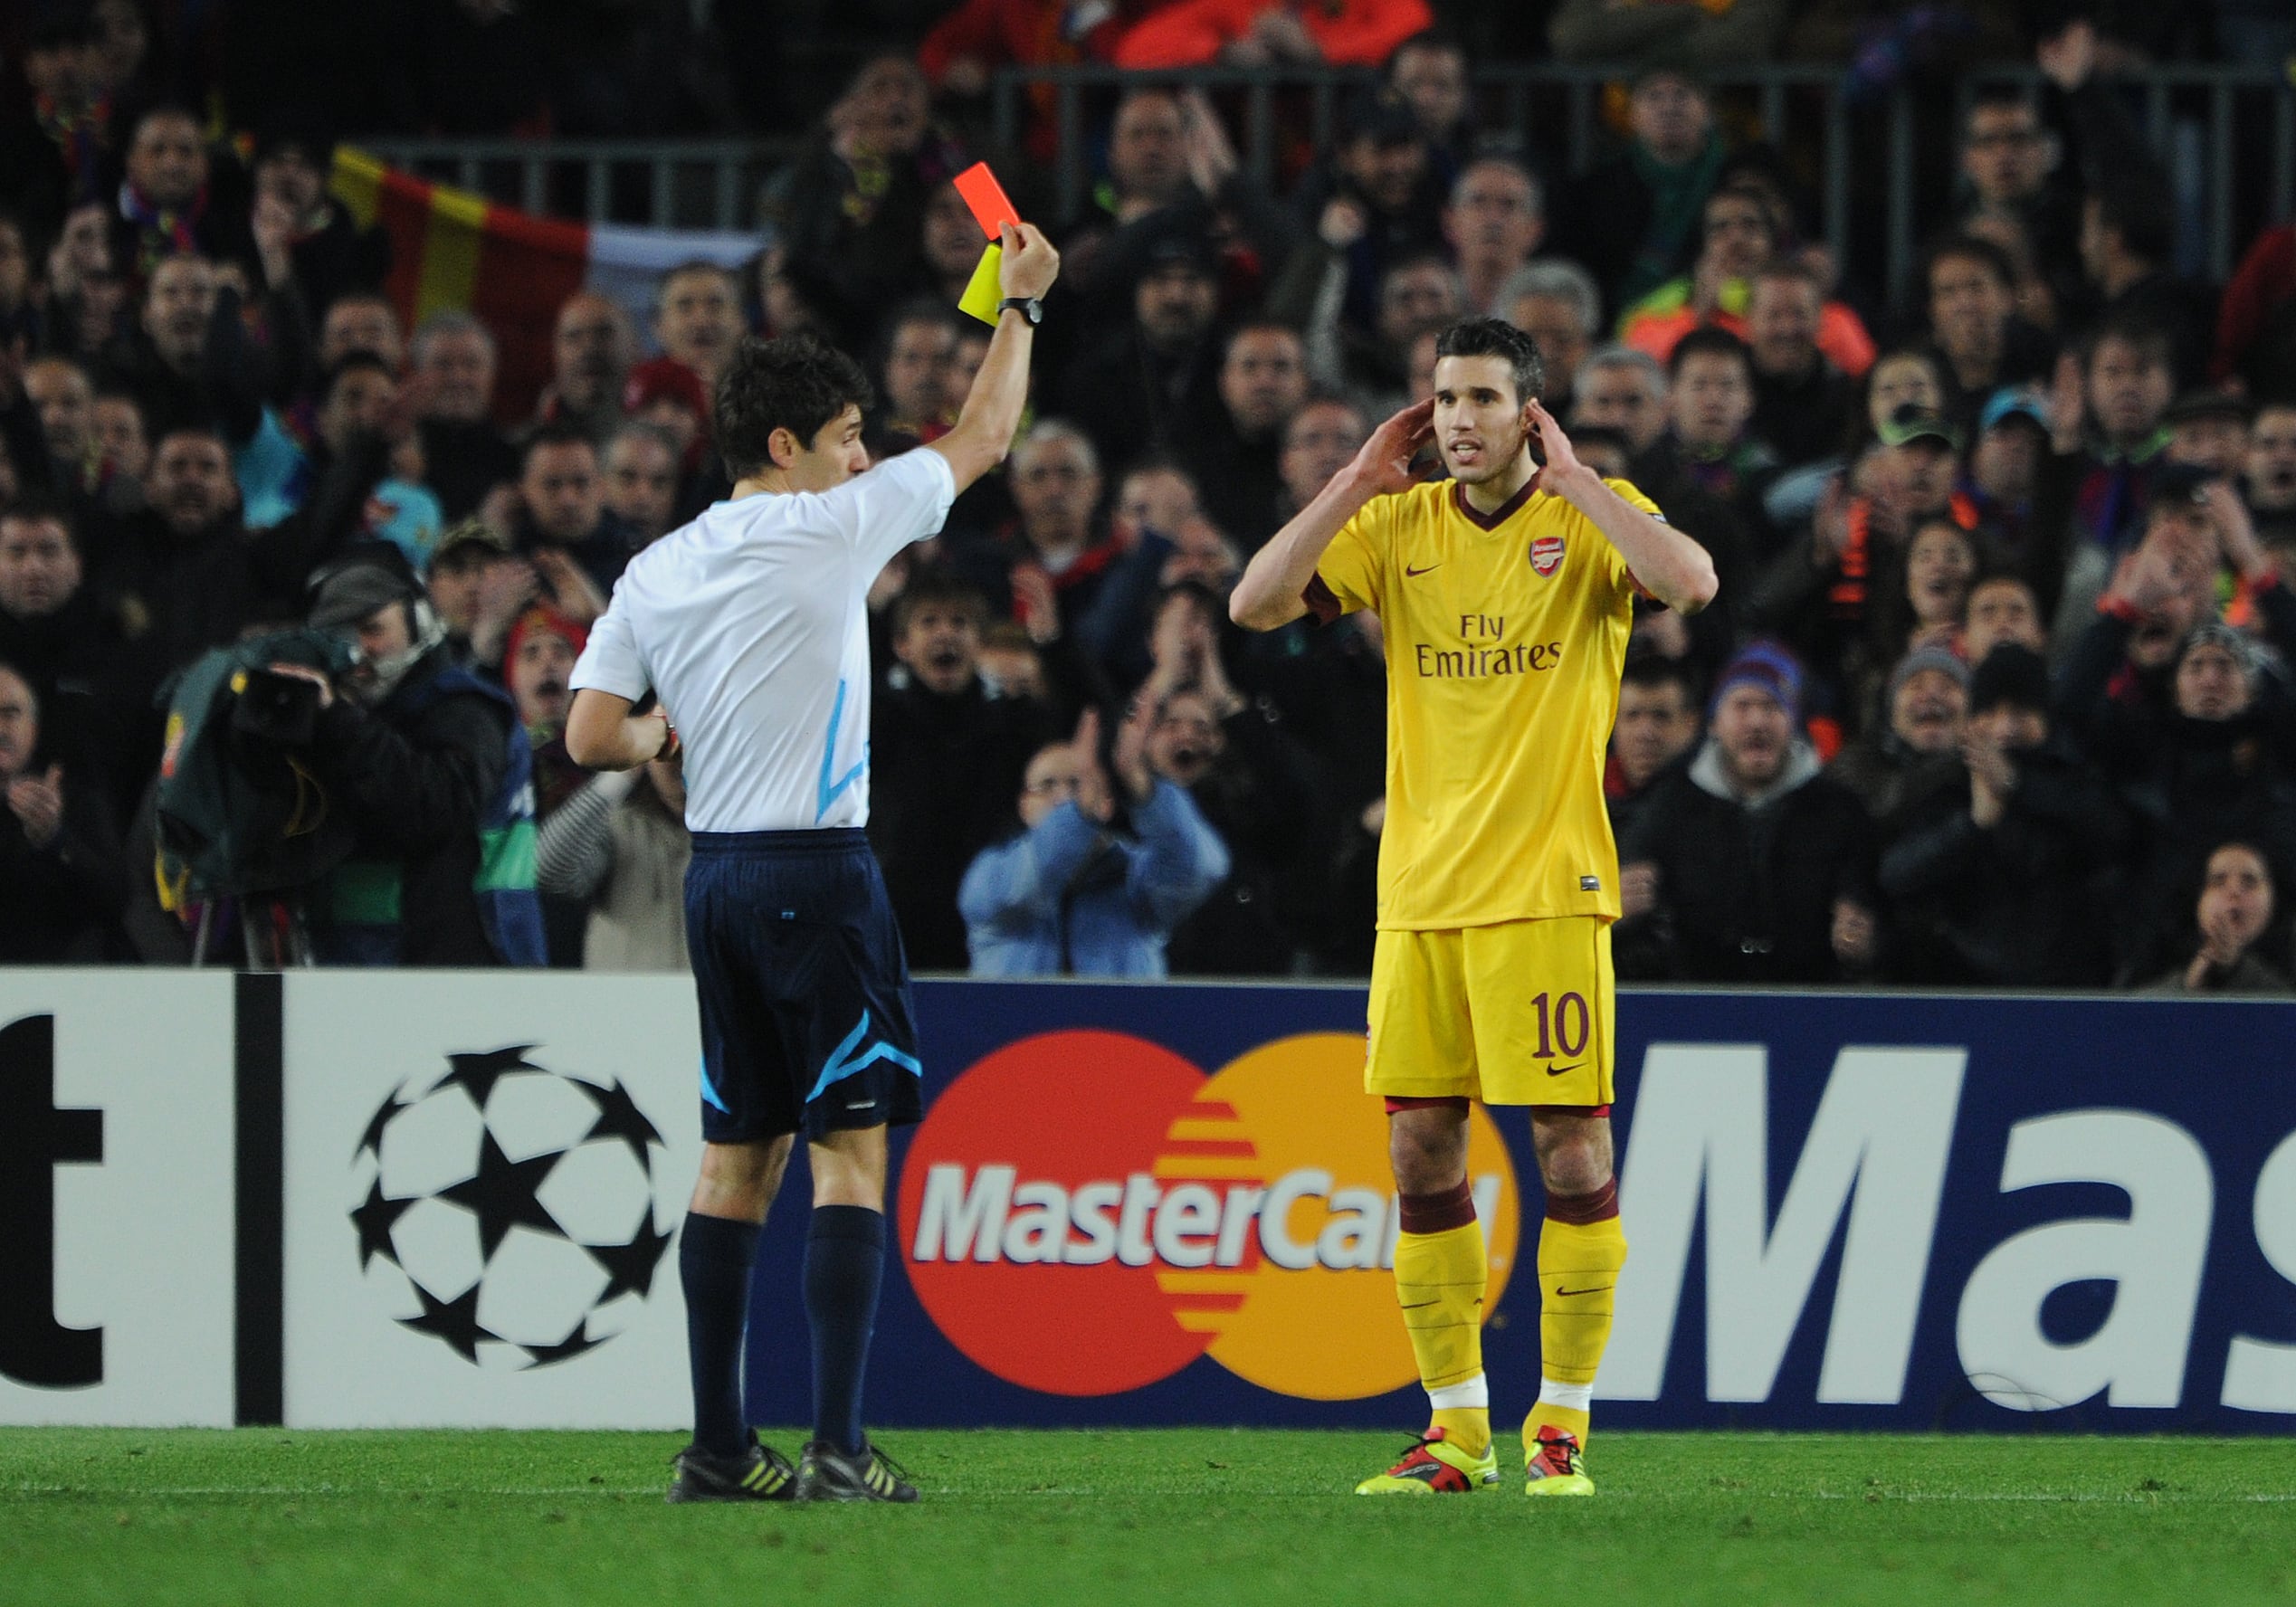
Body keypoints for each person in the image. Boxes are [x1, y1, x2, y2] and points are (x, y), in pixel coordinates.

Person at [562, 220, 1061, 1506]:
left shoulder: (656, 567)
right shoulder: (830, 526)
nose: (864, 453)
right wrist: (1019, 310)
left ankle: (721, 1451)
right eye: (845, 435)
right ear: (785, 448)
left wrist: (665, 727)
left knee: (737, 1162)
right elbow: (983, 441)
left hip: (715, 880)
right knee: (848, 1158)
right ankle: (839, 1451)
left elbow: (585, 732)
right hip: (819, 877)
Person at [1229, 316, 1717, 1496]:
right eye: (1445, 397)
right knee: (1417, 1148)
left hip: (1546, 891)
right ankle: (1455, 1432)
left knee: (1567, 1146)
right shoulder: (1395, 527)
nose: (1458, 418)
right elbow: (1255, 603)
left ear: (1529, 413)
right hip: (1421, 899)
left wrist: (1582, 481)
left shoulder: (1589, 518)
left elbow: (1687, 582)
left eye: (1485, 399)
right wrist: (1353, 476)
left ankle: (1561, 1426)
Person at [264, 547, 548, 968]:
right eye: (339, 638)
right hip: (356, 969)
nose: (359, 651)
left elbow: (438, 807)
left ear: (419, 621)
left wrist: (339, 723)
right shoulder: (335, 721)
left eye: (372, 628)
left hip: (466, 970)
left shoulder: (467, 710)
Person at [958, 705, 1231, 975]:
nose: (1063, 798)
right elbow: (1030, 880)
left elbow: (1200, 869)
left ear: (1107, 804)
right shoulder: (991, 873)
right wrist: (1078, 815)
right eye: (1047, 785)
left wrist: (1145, 790)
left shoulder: (1135, 877)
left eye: (1077, 784)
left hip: (1125, 1020)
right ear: (1024, 806)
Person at [2145, 842, 2291, 994]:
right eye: (2218, 881)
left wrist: (2234, 967)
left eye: (2249, 881)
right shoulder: (2154, 959)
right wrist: (2188, 989)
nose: (2234, 891)